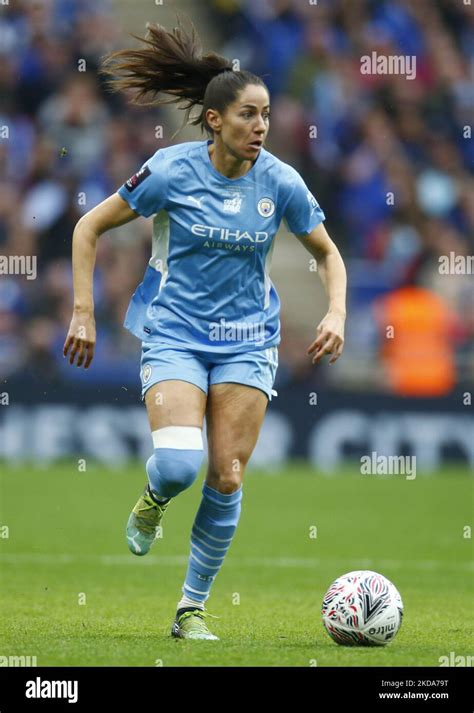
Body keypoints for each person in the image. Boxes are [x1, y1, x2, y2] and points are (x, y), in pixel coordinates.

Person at [63, 18, 347, 641]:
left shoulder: (280, 181)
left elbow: (328, 253)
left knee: (228, 474)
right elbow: (88, 228)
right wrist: (83, 312)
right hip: (176, 334)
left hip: (249, 340)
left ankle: (190, 610)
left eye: (267, 114)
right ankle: (153, 499)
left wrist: (335, 312)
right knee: (178, 465)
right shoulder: (169, 170)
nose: (262, 127)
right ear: (215, 120)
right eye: (249, 115)